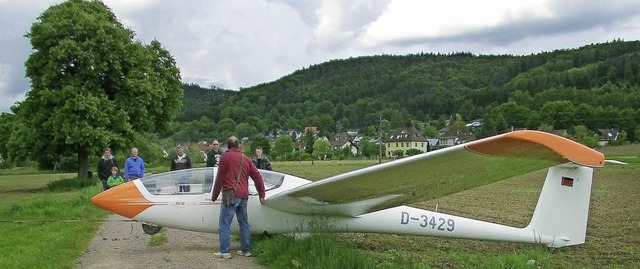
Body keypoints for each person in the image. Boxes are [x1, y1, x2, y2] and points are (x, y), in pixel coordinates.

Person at [211, 136, 266, 259]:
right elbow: (257, 176)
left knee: (224, 223)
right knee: (244, 223)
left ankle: (225, 251)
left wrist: (214, 196)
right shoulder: (245, 158)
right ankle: (246, 250)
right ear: (238, 145)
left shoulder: (225, 156)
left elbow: (220, 178)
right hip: (243, 195)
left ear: (228, 146)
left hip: (230, 194)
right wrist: (261, 194)